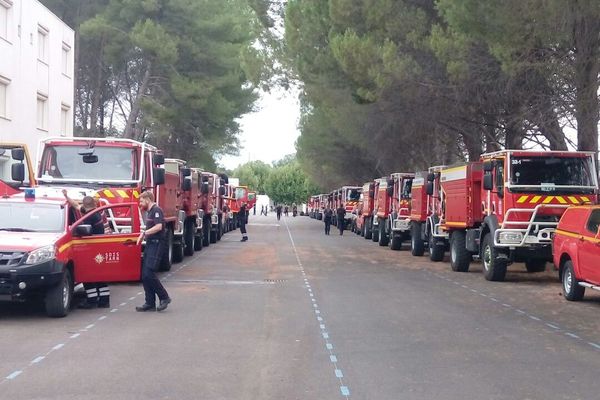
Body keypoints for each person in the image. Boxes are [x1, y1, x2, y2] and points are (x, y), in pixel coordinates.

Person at [62, 189, 110, 309]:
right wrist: (66, 196)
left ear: (86, 205)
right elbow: (77, 206)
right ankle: (104, 300)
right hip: (98, 248)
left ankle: (92, 300)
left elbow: (83, 229)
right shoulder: (95, 212)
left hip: (92, 249)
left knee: (87, 274)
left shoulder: (90, 217)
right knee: (100, 275)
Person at [136, 191, 171, 312]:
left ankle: (164, 297)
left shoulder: (157, 210)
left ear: (148, 199)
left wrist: (144, 233)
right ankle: (149, 302)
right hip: (151, 244)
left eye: (141, 201)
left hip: (156, 244)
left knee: (149, 273)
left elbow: (158, 227)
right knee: (145, 275)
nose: (140, 204)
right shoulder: (150, 212)